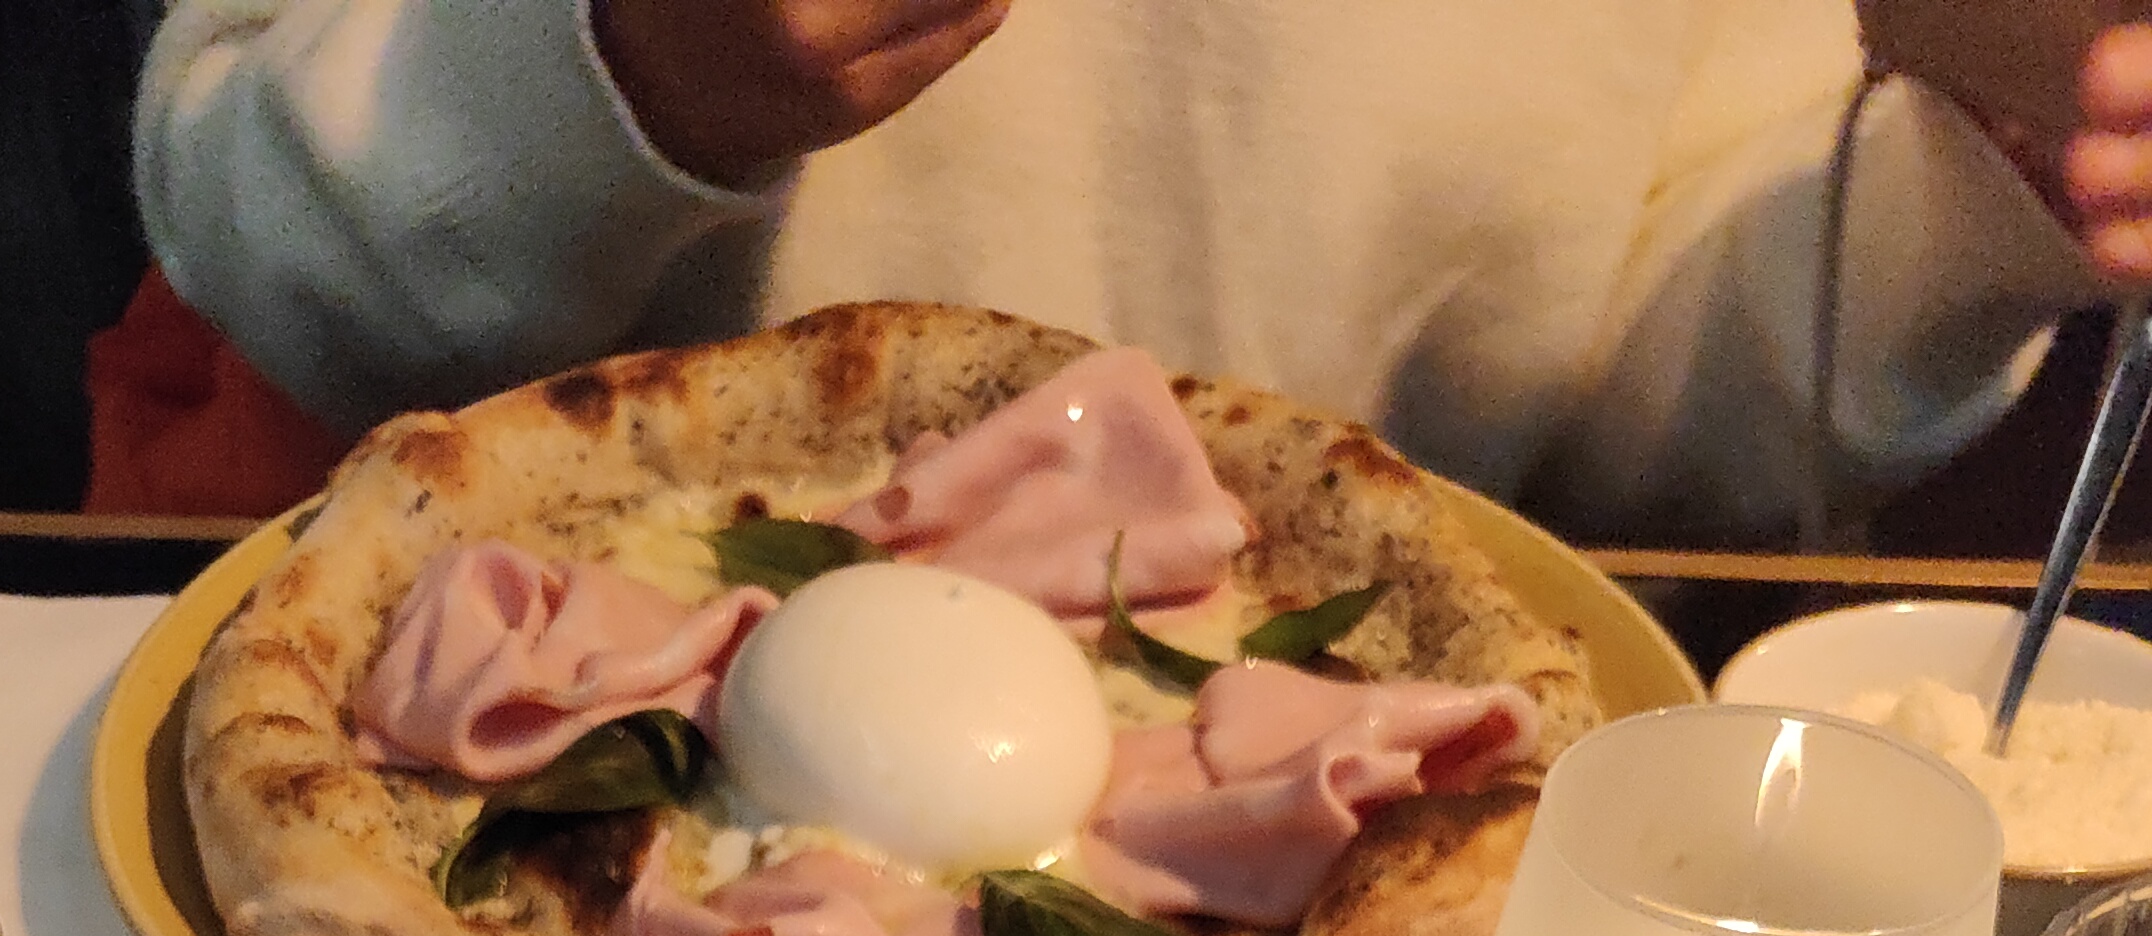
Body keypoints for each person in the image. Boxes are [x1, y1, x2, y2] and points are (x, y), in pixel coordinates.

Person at [127, 0, 2152, 537]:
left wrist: (1994, 195)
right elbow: (248, 211)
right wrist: (626, 74)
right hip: (535, 799)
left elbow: (1648, 423)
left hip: (1355, 897)